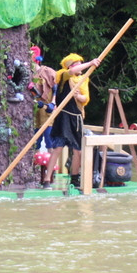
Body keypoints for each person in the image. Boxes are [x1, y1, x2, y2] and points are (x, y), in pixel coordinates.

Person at [46, 53, 100, 188]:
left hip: (76, 118)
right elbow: (71, 71)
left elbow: (85, 99)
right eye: (78, 63)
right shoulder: (63, 75)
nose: (80, 66)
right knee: (58, 148)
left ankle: (75, 178)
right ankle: (47, 179)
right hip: (63, 117)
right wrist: (90, 63)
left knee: (78, 151)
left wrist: (78, 96)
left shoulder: (83, 80)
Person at [29, 45, 58, 188]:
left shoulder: (47, 71)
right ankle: (34, 173)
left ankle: (51, 173)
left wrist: (53, 103)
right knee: (35, 141)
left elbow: (56, 87)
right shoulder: (27, 72)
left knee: (49, 141)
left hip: (48, 111)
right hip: (34, 111)